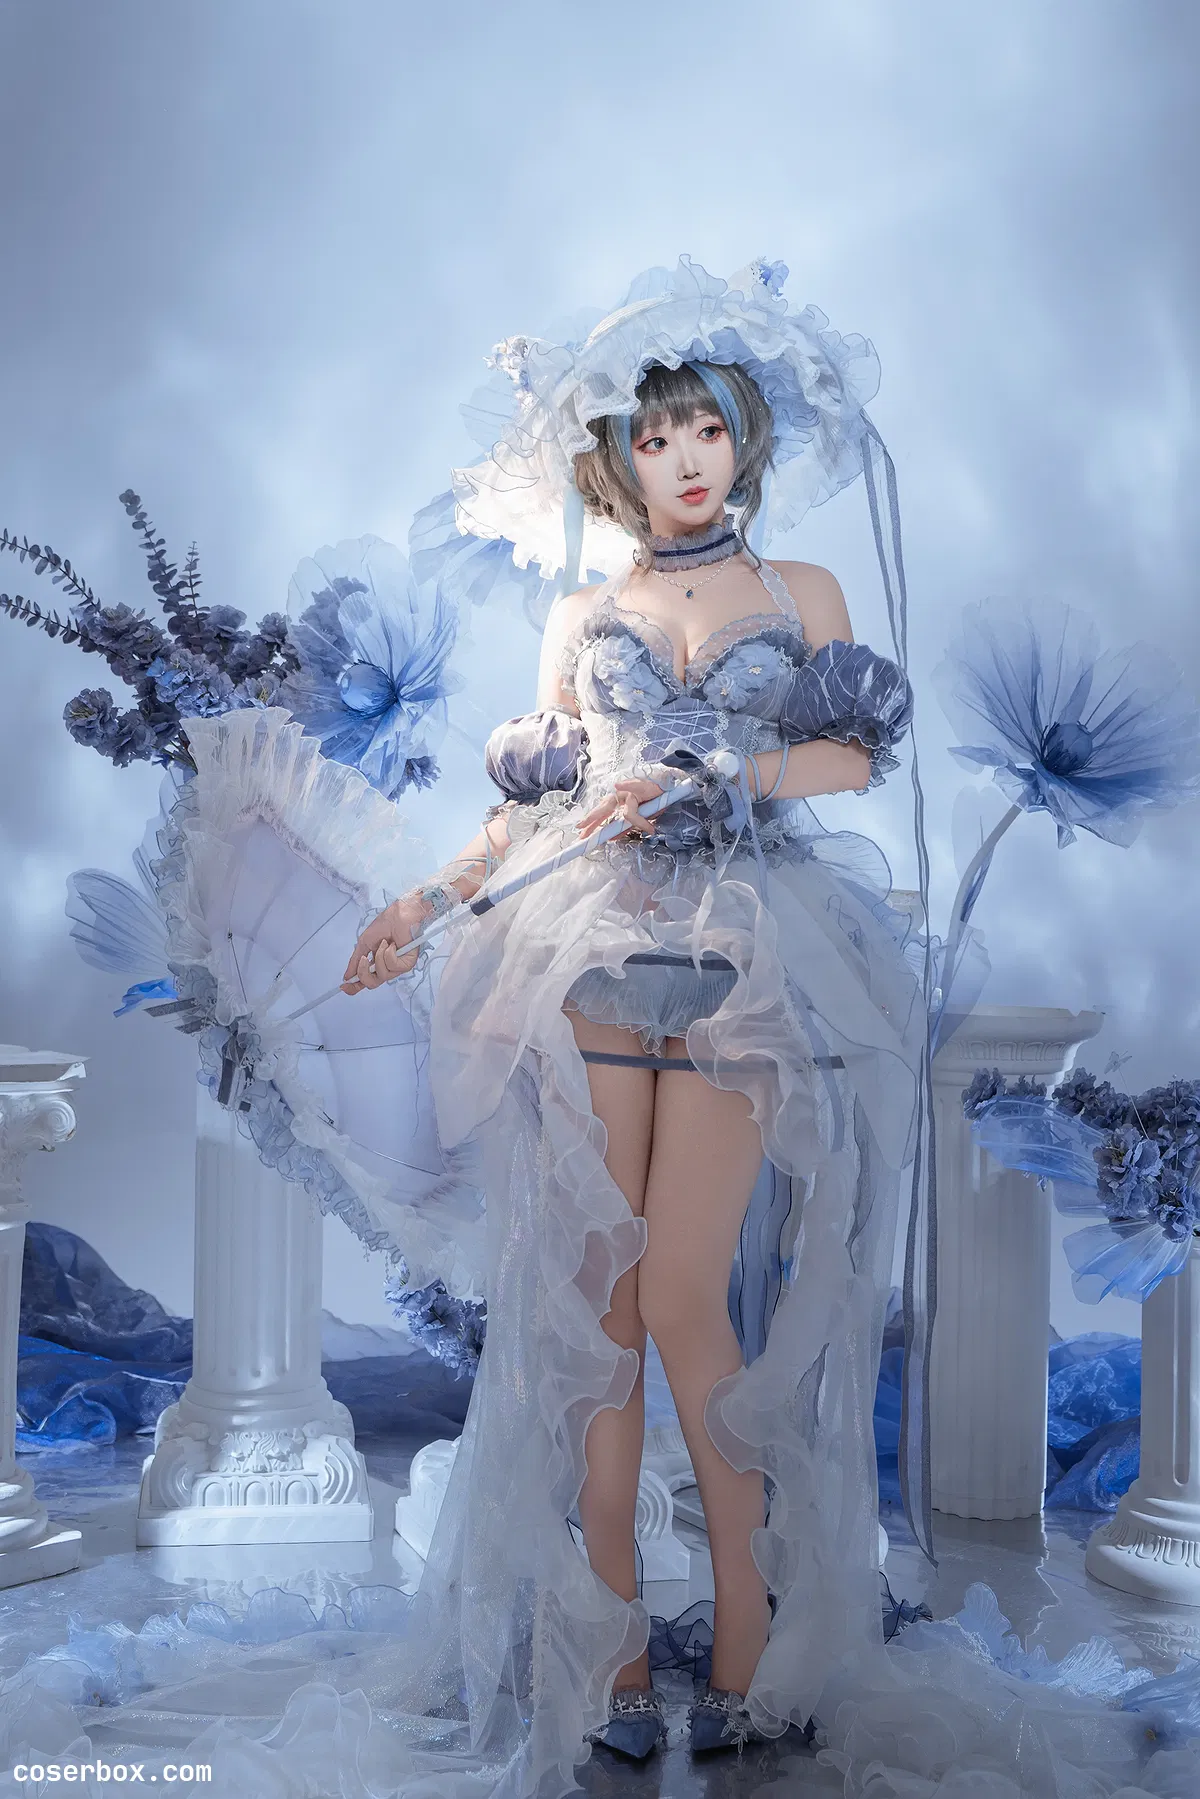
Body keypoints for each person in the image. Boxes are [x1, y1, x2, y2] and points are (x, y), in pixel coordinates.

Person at [340, 262, 929, 1773]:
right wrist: (423, 898)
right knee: (596, 1313)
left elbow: (855, 760)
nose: (685, 459)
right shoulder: (583, 611)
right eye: (655, 436)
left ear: (743, 437)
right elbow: (530, 807)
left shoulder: (801, 595)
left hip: (747, 952)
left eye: (706, 429)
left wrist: (732, 771)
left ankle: (750, 1628)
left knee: (680, 1296)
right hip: (592, 952)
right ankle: (602, 1650)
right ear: (619, 457)